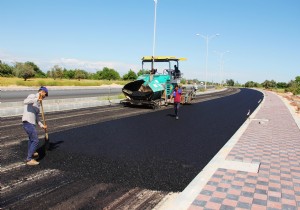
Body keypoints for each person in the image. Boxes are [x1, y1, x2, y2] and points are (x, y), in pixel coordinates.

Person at [22, 86, 48, 166]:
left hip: (31, 123)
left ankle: (31, 154)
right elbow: (25, 101)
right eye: (44, 95)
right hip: (27, 122)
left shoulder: (38, 104)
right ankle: (29, 159)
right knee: (36, 140)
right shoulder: (33, 96)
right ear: (42, 92)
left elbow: (36, 117)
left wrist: (42, 125)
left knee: (31, 140)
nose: (44, 97)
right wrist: (37, 99)